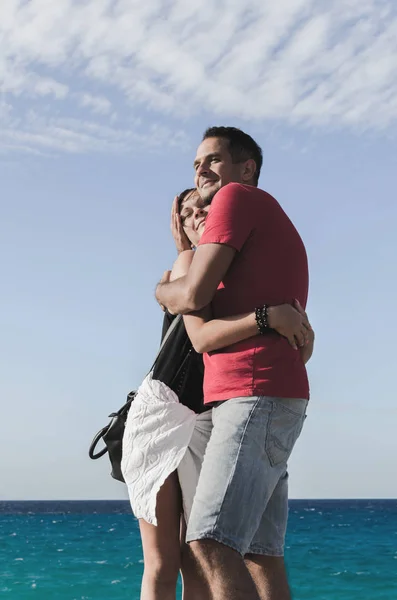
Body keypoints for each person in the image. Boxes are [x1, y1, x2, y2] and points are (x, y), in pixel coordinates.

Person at [122, 186, 313, 600]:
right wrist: (267, 318)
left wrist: (289, 324)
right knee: (163, 561)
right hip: (164, 416)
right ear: (179, 228)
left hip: (208, 415)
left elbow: (302, 346)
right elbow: (202, 336)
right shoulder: (188, 264)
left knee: (198, 557)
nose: (197, 214)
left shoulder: (237, 273)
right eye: (187, 212)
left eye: (205, 206)